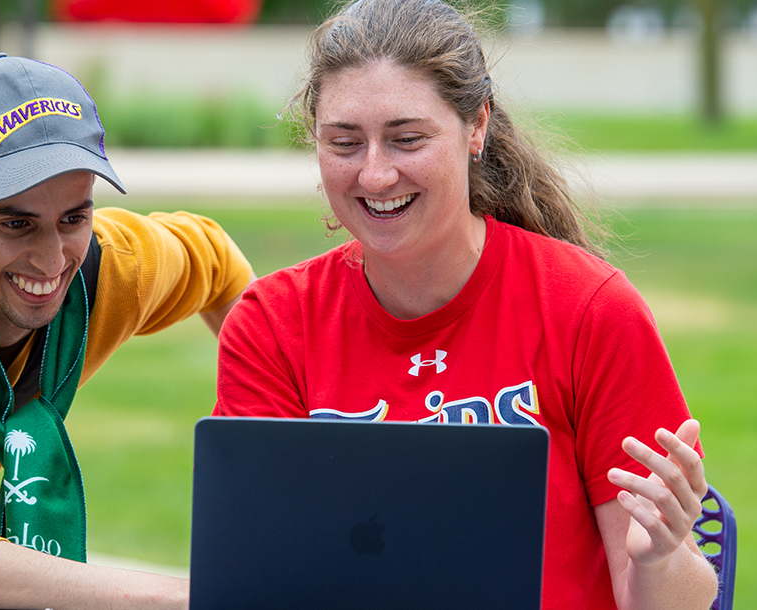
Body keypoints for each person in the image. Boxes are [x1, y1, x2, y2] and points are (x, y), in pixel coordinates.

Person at [213, 2, 720, 609]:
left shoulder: (590, 310)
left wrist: (658, 559)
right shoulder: (272, 325)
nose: (375, 175)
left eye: (407, 139)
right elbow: (265, 583)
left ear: (476, 126)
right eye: (344, 142)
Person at [0, 54, 253, 609]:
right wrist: (189, 598)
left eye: (74, 218)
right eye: (16, 223)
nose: (52, 259)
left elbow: (217, 264)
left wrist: (273, 447)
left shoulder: (111, 268)